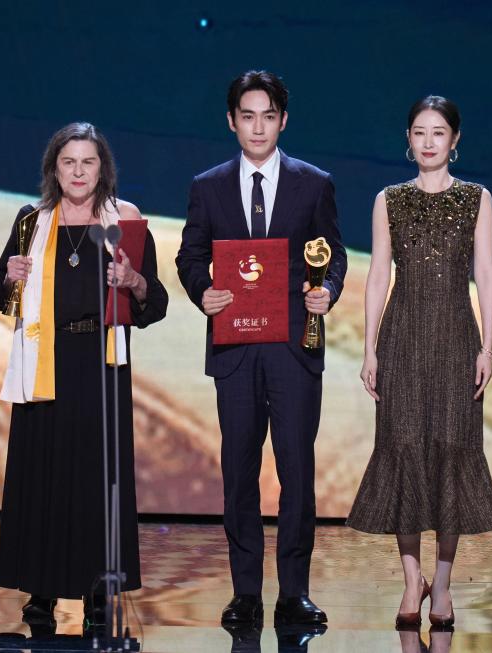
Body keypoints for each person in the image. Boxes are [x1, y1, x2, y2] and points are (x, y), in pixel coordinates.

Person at [175, 70, 347, 627]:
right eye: (247, 116)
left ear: (283, 121)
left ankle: (294, 592)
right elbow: (189, 256)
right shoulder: (208, 187)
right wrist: (202, 291)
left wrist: (327, 291)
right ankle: (245, 591)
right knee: (239, 471)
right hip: (236, 347)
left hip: (294, 347)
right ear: (231, 121)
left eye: (267, 117)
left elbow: (334, 254)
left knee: (297, 471)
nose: (257, 127)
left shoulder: (313, 184)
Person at [0, 122, 168, 627]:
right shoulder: (32, 221)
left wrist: (132, 280)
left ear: (102, 169)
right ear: (54, 169)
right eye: (68, 162)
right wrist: (9, 277)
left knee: (98, 478)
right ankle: (41, 590)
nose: (78, 172)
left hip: (100, 364)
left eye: (88, 162)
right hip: (43, 358)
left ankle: (98, 590)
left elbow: (154, 303)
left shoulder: (124, 220)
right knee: (41, 475)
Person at [346, 95, 492, 629]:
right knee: (405, 451)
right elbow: (378, 275)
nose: (429, 141)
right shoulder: (388, 199)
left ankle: (442, 582)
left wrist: (487, 347)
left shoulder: (477, 198)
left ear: (454, 140)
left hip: (457, 339)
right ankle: (411, 579)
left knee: (452, 453)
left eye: (439, 132)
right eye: (420, 132)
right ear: (408, 139)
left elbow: (486, 272)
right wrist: (369, 348)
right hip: (403, 339)